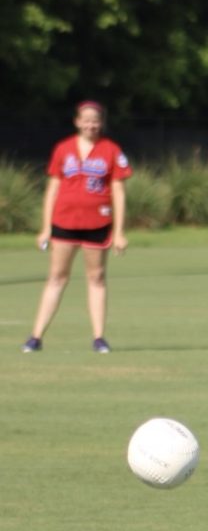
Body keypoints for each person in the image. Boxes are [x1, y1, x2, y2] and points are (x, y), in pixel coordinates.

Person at [21, 101, 132, 354]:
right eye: (86, 119)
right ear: (77, 121)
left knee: (96, 277)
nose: (91, 124)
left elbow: (118, 192)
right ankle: (36, 336)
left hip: (98, 222)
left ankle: (99, 337)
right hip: (64, 222)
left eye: (95, 120)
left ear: (101, 122)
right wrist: (45, 227)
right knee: (57, 277)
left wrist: (119, 232)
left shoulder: (111, 150)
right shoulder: (63, 149)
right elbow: (52, 189)